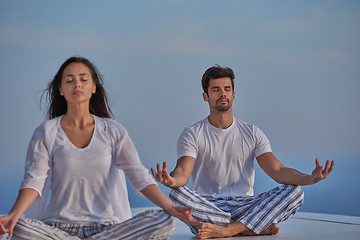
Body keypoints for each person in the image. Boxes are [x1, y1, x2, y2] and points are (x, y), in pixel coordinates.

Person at [0, 56, 199, 240]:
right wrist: (14, 215)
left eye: (83, 79)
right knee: (19, 227)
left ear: (94, 87)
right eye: (69, 80)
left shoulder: (113, 130)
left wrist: (172, 208)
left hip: (106, 227)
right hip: (57, 228)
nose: (76, 83)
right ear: (60, 89)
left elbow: (139, 177)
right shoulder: (46, 132)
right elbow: (34, 180)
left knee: (163, 221)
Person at [151, 65, 335, 239]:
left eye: (227, 88)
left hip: (245, 205)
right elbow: (183, 172)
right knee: (176, 194)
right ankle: (250, 227)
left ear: (233, 94)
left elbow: (278, 170)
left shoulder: (252, 133)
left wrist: (309, 179)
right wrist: (171, 180)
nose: (222, 93)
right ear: (205, 96)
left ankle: (230, 229)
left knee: (295, 192)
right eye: (215, 89)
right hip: (208, 207)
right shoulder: (192, 133)